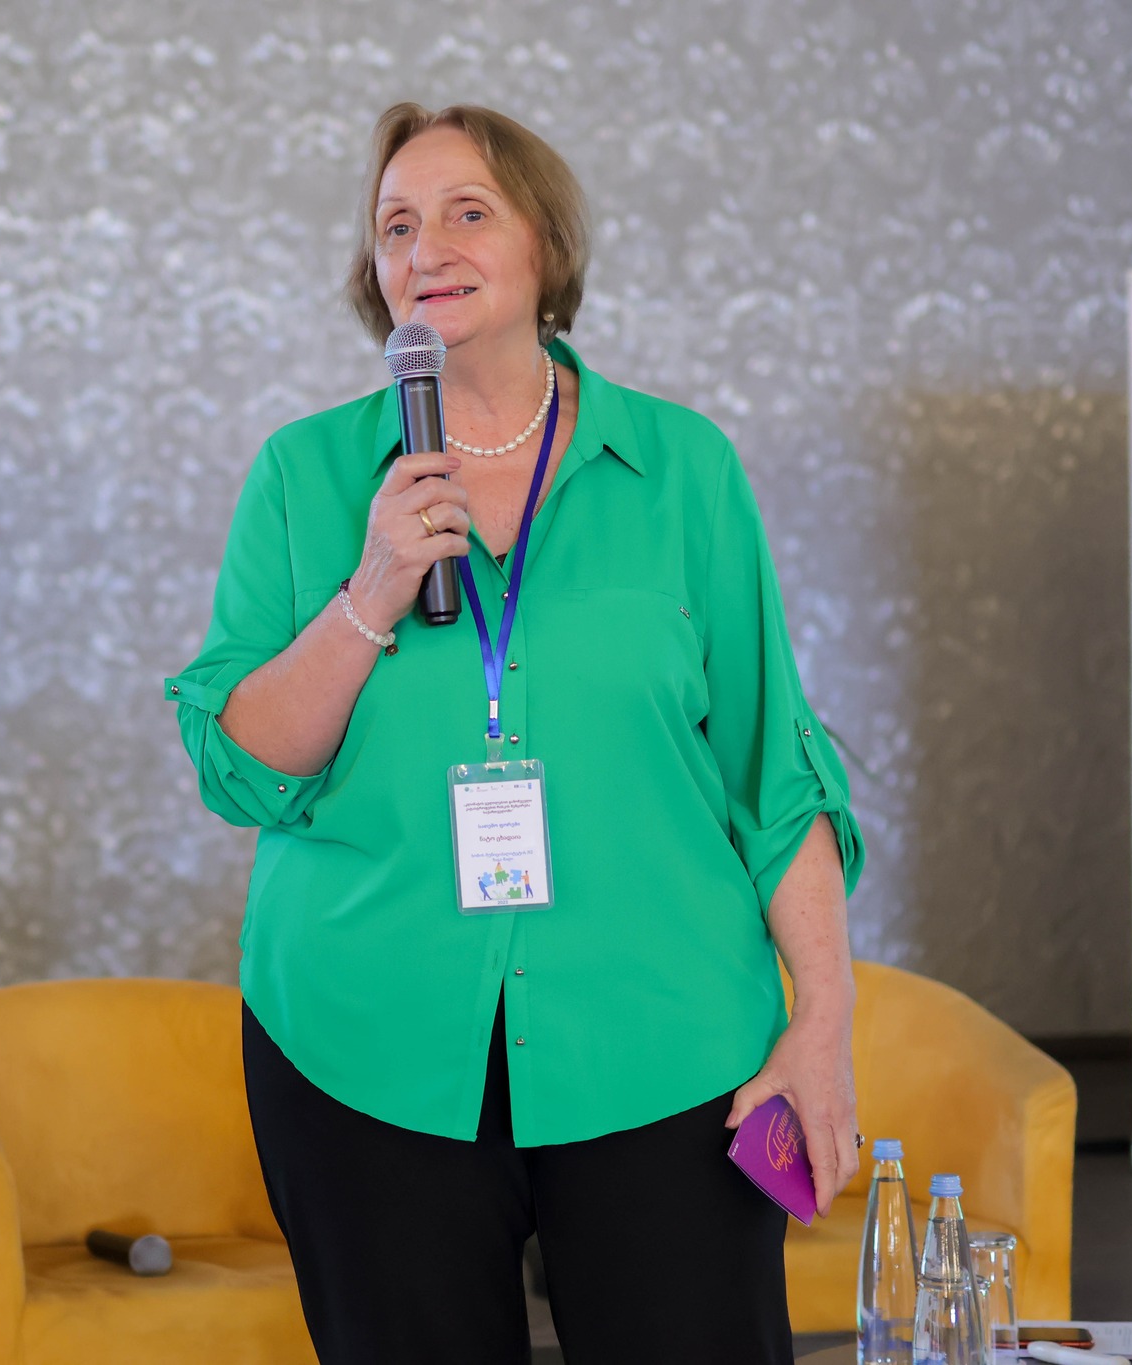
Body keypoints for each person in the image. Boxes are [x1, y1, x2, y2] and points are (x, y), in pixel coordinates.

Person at [164, 101, 864, 1364]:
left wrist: (821, 1020)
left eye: (465, 213)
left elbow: (773, 776)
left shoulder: (683, 469)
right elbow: (240, 769)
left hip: (664, 1041)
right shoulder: (304, 477)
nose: (422, 248)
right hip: (364, 1042)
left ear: (545, 244)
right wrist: (370, 590)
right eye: (394, 226)